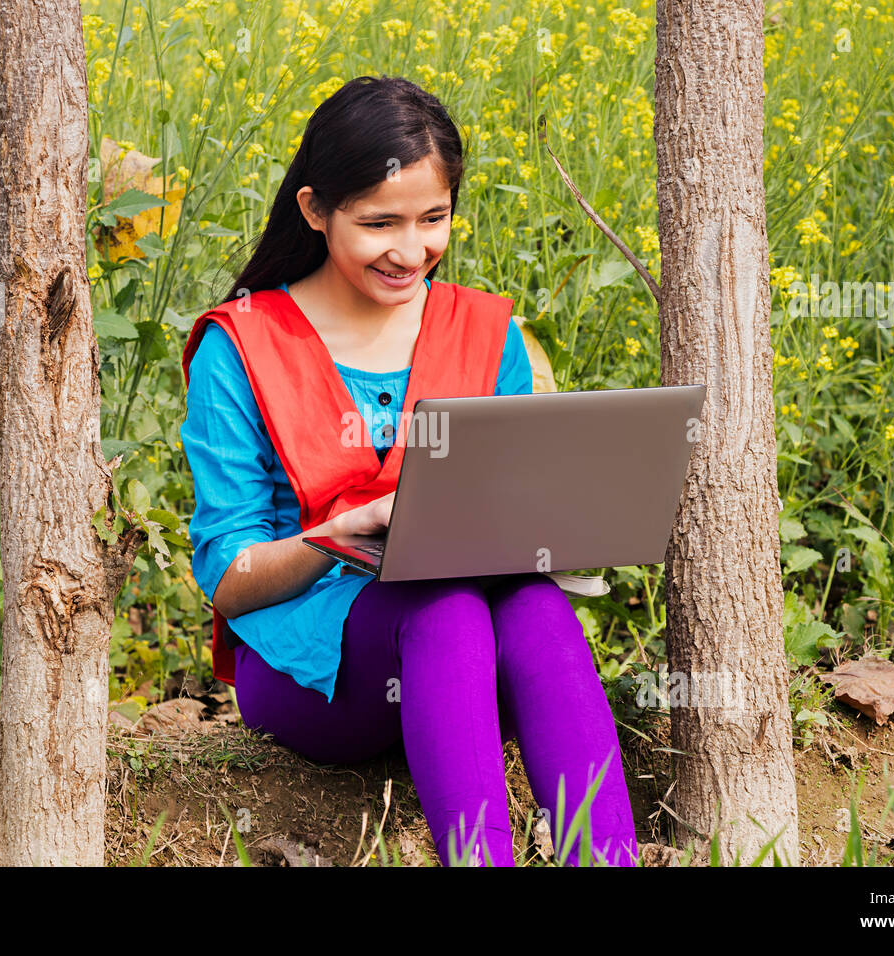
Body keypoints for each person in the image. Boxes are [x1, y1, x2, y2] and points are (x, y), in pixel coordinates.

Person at [179, 75, 637, 866]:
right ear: (317, 210)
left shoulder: (487, 331)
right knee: (445, 609)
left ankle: (606, 860)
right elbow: (228, 575)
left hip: (464, 672)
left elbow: (520, 518)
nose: (411, 249)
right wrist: (338, 534)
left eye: (435, 220)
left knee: (534, 607)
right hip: (319, 671)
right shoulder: (242, 346)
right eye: (379, 223)